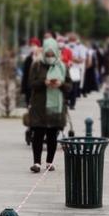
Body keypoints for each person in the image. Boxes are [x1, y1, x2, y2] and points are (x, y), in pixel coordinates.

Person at [26, 38, 73, 173]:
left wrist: (61, 84)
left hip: (56, 107)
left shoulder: (62, 66)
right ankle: (36, 162)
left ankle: (49, 162)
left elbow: (69, 86)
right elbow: (31, 83)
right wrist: (44, 82)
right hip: (39, 106)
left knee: (52, 135)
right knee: (38, 134)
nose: (50, 57)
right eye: (48, 54)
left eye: (52, 55)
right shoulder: (37, 65)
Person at [20, 37, 41, 106]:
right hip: (29, 84)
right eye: (31, 45)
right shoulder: (28, 59)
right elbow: (25, 74)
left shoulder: (42, 59)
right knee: (29, 103)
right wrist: (23, 88)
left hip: (39, 85)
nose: (33, 47)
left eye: (35, 45)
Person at [68, 34, 86, 109]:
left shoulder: (80, 48)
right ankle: (67, 101)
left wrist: (72, 59)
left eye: (73, 40)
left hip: (75, 69)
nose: (72, 41)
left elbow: (82, 59)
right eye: (70, 39)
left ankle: (72, 104)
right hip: (66, 69)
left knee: (74, 87)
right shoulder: (66, 47)